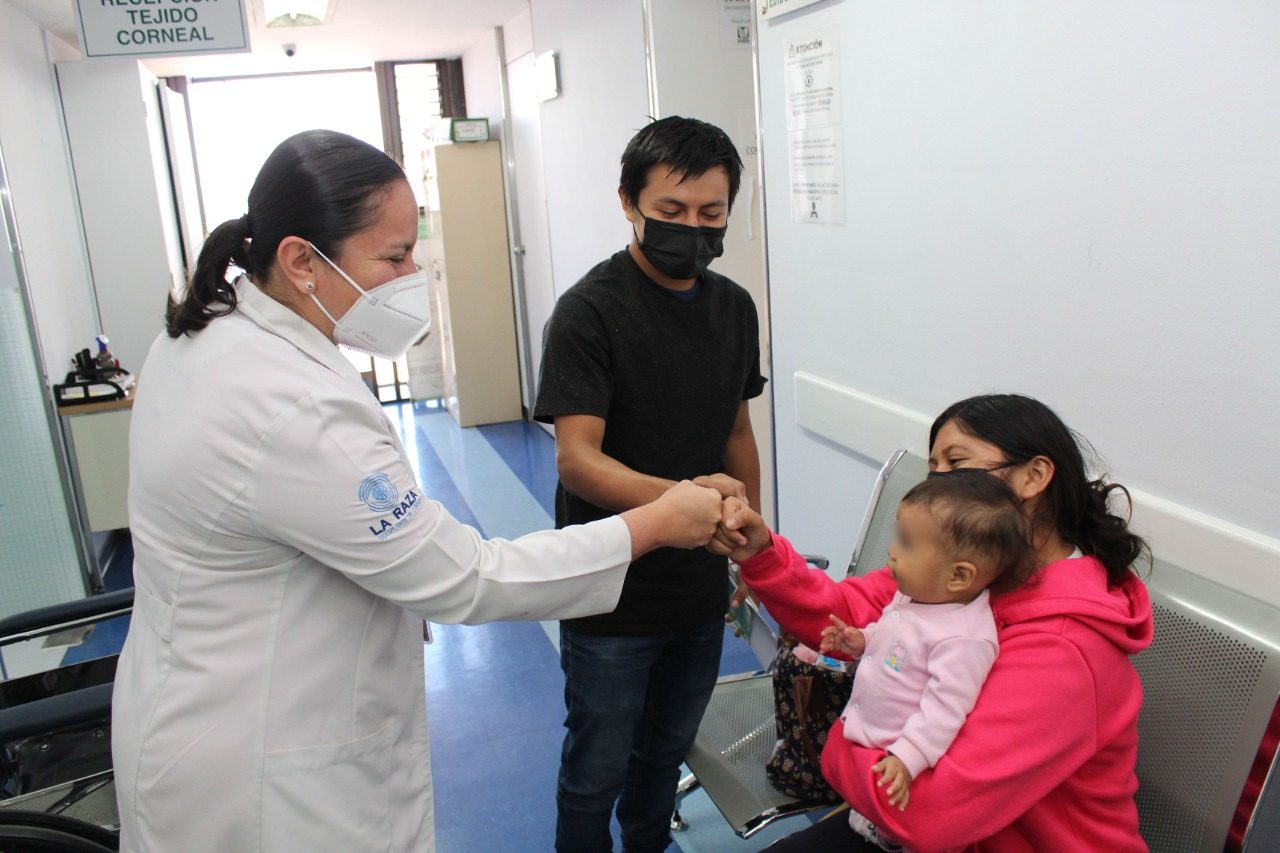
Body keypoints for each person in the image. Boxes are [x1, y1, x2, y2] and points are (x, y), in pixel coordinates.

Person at [112, 129, 727, 853]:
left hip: (203, 700)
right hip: (264, 769)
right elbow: (467, 576)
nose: (413, 273)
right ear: (302, 260)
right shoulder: (292, 404)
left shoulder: (211, 334)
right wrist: (653, 523)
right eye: (395, 256)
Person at [714, 394, 1153, 851]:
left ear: (1034, 476)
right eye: (933, 469)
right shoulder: (959, 578)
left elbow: (928, 816)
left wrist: (842, 743)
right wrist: (761, 553)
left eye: (957, 463)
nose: (940, 483)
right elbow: (843, 613)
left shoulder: (1066, 648)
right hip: (909, 814)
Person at [533, 115, 765, 852]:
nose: (691, 230)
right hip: (609, 586)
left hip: (696, 588)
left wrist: (749, 538)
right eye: (671, 212)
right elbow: (578, 458)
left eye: (711, 215)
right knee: (596, 766)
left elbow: (736, 432)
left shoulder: (734, 308)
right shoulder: (590, 311)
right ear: (629, 202)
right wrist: (682, 503)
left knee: (663, 754)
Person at [814, 473, 1034, 850]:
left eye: (906, 543)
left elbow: (946, 710)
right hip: (870, 738)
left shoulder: (965, 638)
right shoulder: (916, 596)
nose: (892, 551)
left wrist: (908, 758)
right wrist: (860, 640)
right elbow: (890, 638)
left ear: (958, 575)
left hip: (899, 754)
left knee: (903, 832)